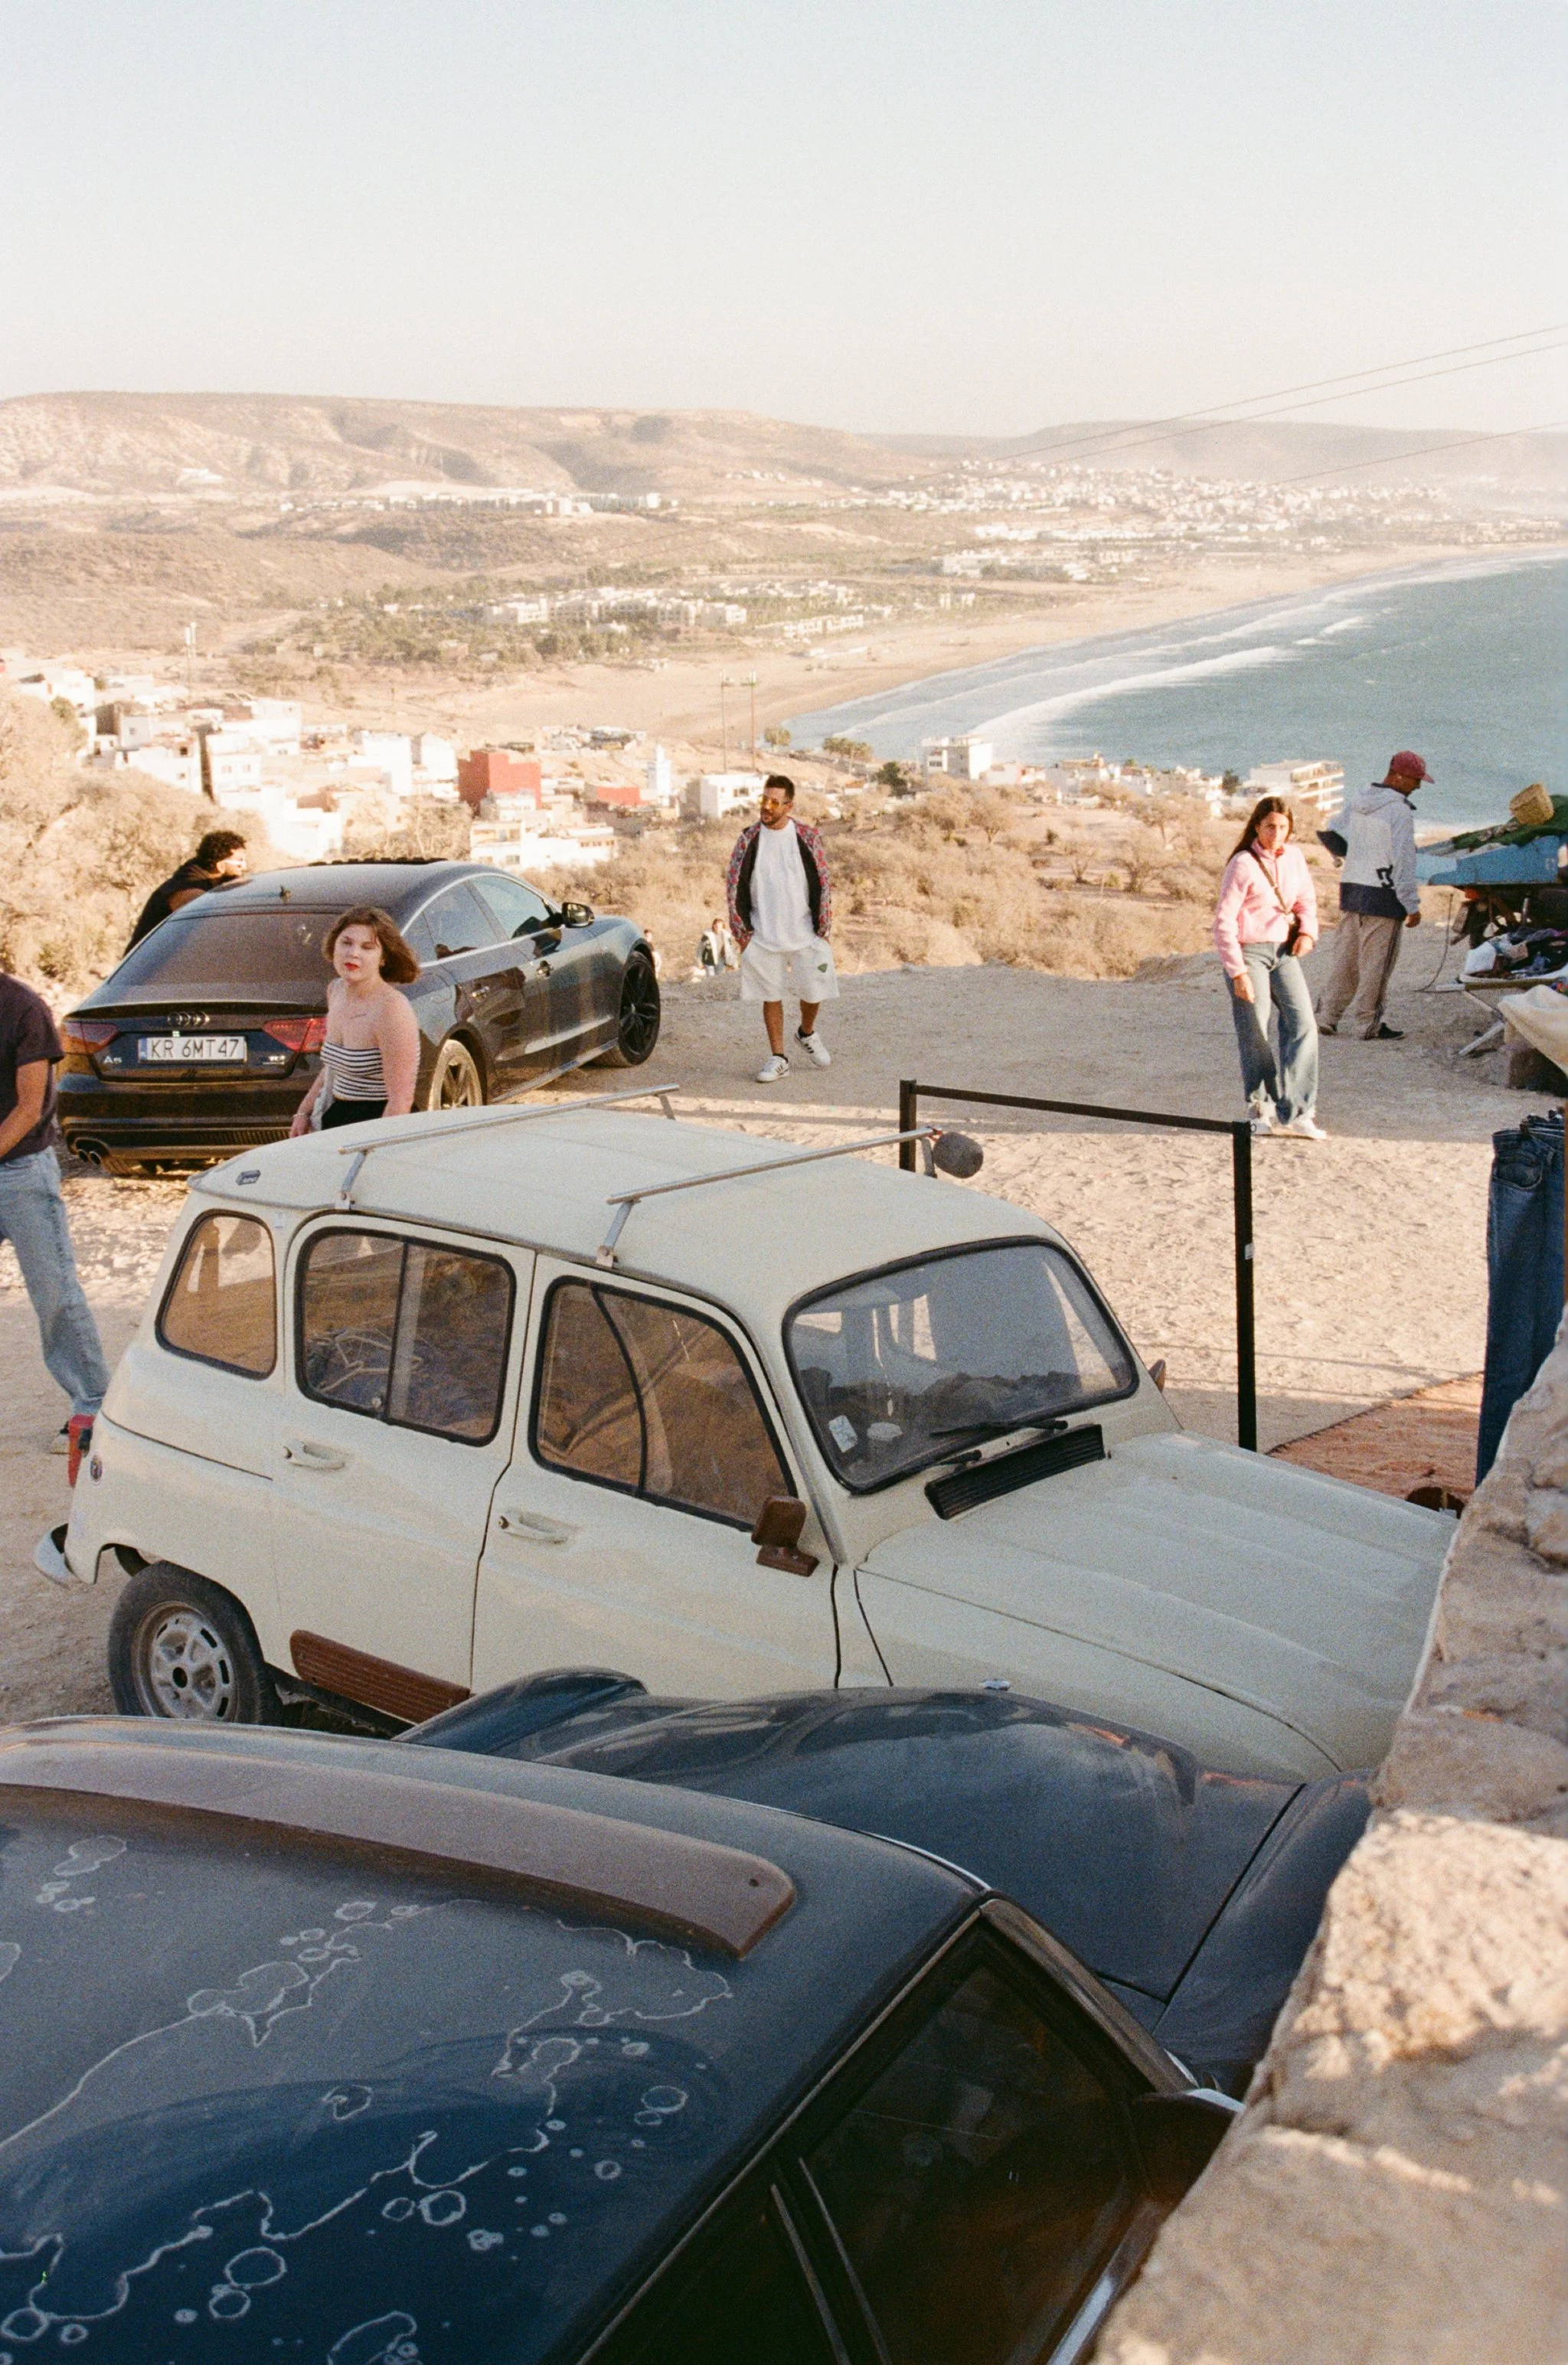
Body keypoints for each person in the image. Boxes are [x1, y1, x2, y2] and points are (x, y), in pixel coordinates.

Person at [0, 964, 111, 1452]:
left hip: (20, 1173)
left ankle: (93, 1402)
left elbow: (29, 1107)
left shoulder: (23, 1007)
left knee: (54, 1293)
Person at [1214, 795, 1325, 1138]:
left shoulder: (1294, 857)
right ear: (1257, 827)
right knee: (1255, 1029)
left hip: (1284, 952)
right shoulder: (1243, 864)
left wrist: (1308, 930)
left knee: (1303, 1023)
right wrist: (1237, 972)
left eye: (1283, 827)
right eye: (1269, 827)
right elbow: (1223, 921)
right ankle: (1260, 1108)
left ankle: (1300, 1111)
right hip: (1249, 953)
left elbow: (1306, 899)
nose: (1276, 834)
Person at [726, 775, 836, 1083]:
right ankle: (779, 1057)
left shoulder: (806, 836)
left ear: (789, 805)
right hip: (763, 934)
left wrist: (824, 926)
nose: (767, 806)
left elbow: (823, 881)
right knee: (770, 994)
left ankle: (806, 1032)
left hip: (805, 931)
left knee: (815, 989)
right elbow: (734, 885)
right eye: (765, 799)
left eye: (775, 802)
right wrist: (742, 934)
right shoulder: (749, 838)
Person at [1317, 751, 1429, 1040]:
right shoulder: (1399, 811)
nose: (1418, 786)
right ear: (1399, 776)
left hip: (1353, 888)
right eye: (1416, 781)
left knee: (1346, 960)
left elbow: (1329, 831)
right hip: (1384, 896)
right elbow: (1404, 862)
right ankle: (1368, 1023)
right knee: (1376, 966)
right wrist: (1411, 905)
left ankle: (1328, 1016)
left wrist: (1347, 856)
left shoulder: (1359, 799)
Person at [289, 906, 422, 1135]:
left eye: (367, 947)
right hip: (337, 1118)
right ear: (333, 947)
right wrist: (303, 1112)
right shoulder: (336, 990)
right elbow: (333, 1068)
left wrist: (372, 1150)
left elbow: (401, 1100)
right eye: (346, 943)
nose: (353, 953)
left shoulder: (391, 1009)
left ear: (383, 958)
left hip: (382, 1123)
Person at [127, 828, 250, 949]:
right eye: (239, 862)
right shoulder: (188, 890)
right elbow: (209, 926)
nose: (244, 867)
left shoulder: (200, 879)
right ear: (221, 866)